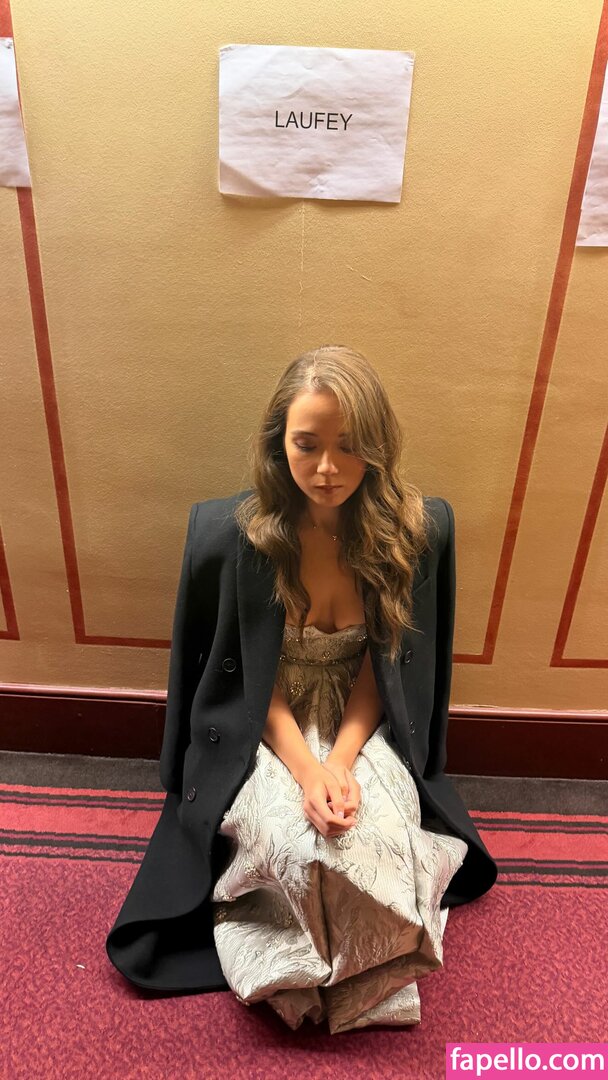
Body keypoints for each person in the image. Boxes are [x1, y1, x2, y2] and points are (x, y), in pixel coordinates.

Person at [105, 344, 498, 1032]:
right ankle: (294, 972)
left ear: (378, 446)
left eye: (350, 447)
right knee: (294, 842)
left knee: (369, 841)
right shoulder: (234, 537)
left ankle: (359, 975)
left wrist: (341, 763)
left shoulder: (415, 531)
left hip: (362, 718)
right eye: (306, 445)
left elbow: (385, 672)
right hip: (265, 720)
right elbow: (249, 682)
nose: (327, 469)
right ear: (277, 442)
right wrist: (307, 772)